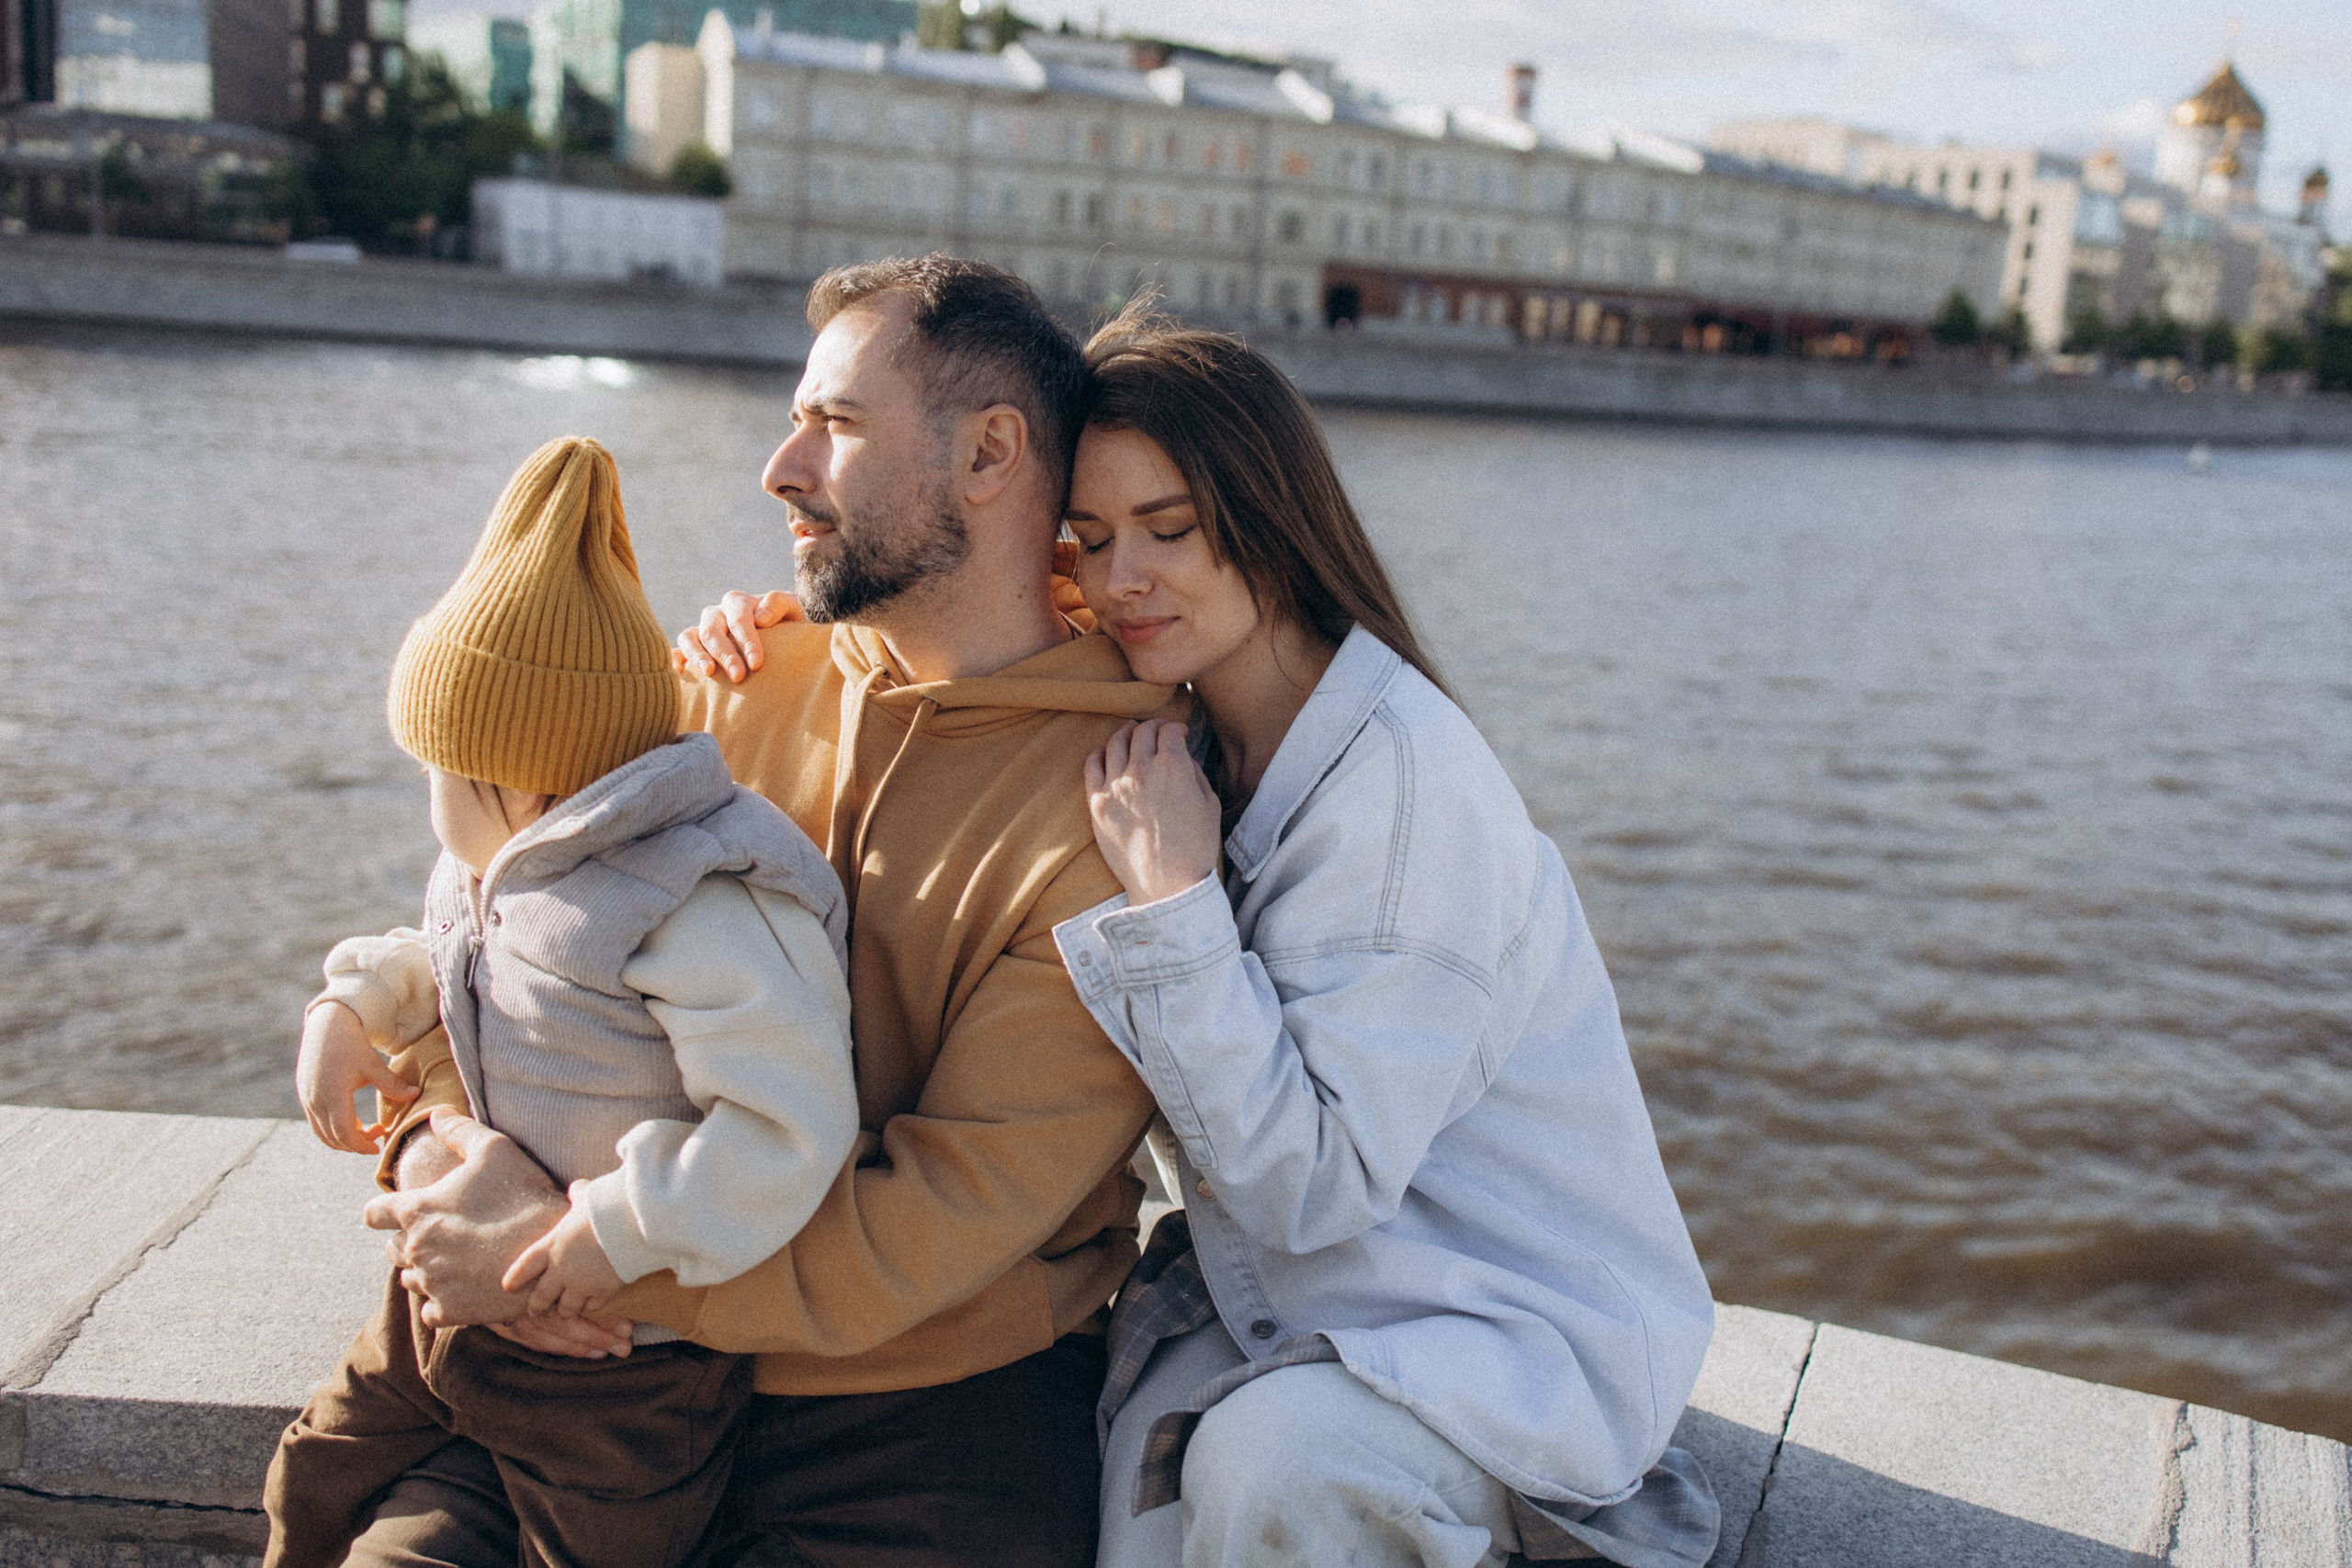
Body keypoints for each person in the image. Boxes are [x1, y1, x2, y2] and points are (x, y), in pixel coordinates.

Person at [317, 256, 1175, 1568]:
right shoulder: (721, 683)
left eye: (834, 424)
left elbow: (950, 1206)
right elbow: (501, 962)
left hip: (920, 1408)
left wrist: (563, 1254)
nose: (780, 468)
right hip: (594, 1369)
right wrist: (435, 1151)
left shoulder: (1120, 808)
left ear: (989, 453)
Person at [266, 435, 859, 1568]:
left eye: (436, 767)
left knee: (598, 1545)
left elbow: (790, 1120)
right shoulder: (502, 863)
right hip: (443, 1294)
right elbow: (453, 954)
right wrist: (347, 1006)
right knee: (322, 1463)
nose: (429, 793)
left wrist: (607, 1234)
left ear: (515, 777)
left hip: (616, 1356)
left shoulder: (691, 903)